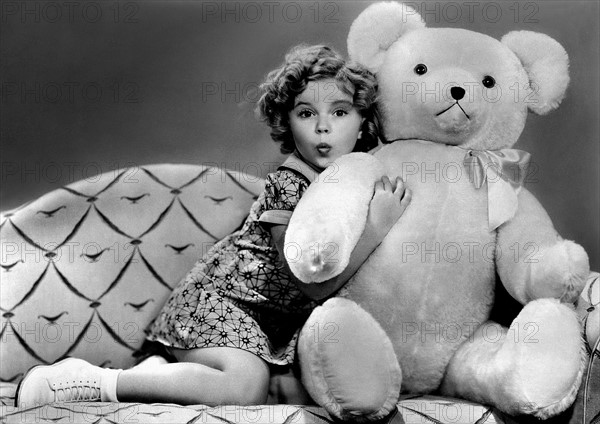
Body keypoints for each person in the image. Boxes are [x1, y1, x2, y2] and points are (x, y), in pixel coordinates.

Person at [15, 44, 411, 407]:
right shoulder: (288, 185)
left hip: (269, 325)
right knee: (246, 387)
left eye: (340, 112)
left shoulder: (352, 180)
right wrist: (377, 227)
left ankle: (161, 375)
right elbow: (310, 283)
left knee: (304, 387)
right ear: (288, 123)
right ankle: (93, 381)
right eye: (306, 113)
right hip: (217, 304)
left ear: (363, 122)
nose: (323, 127)